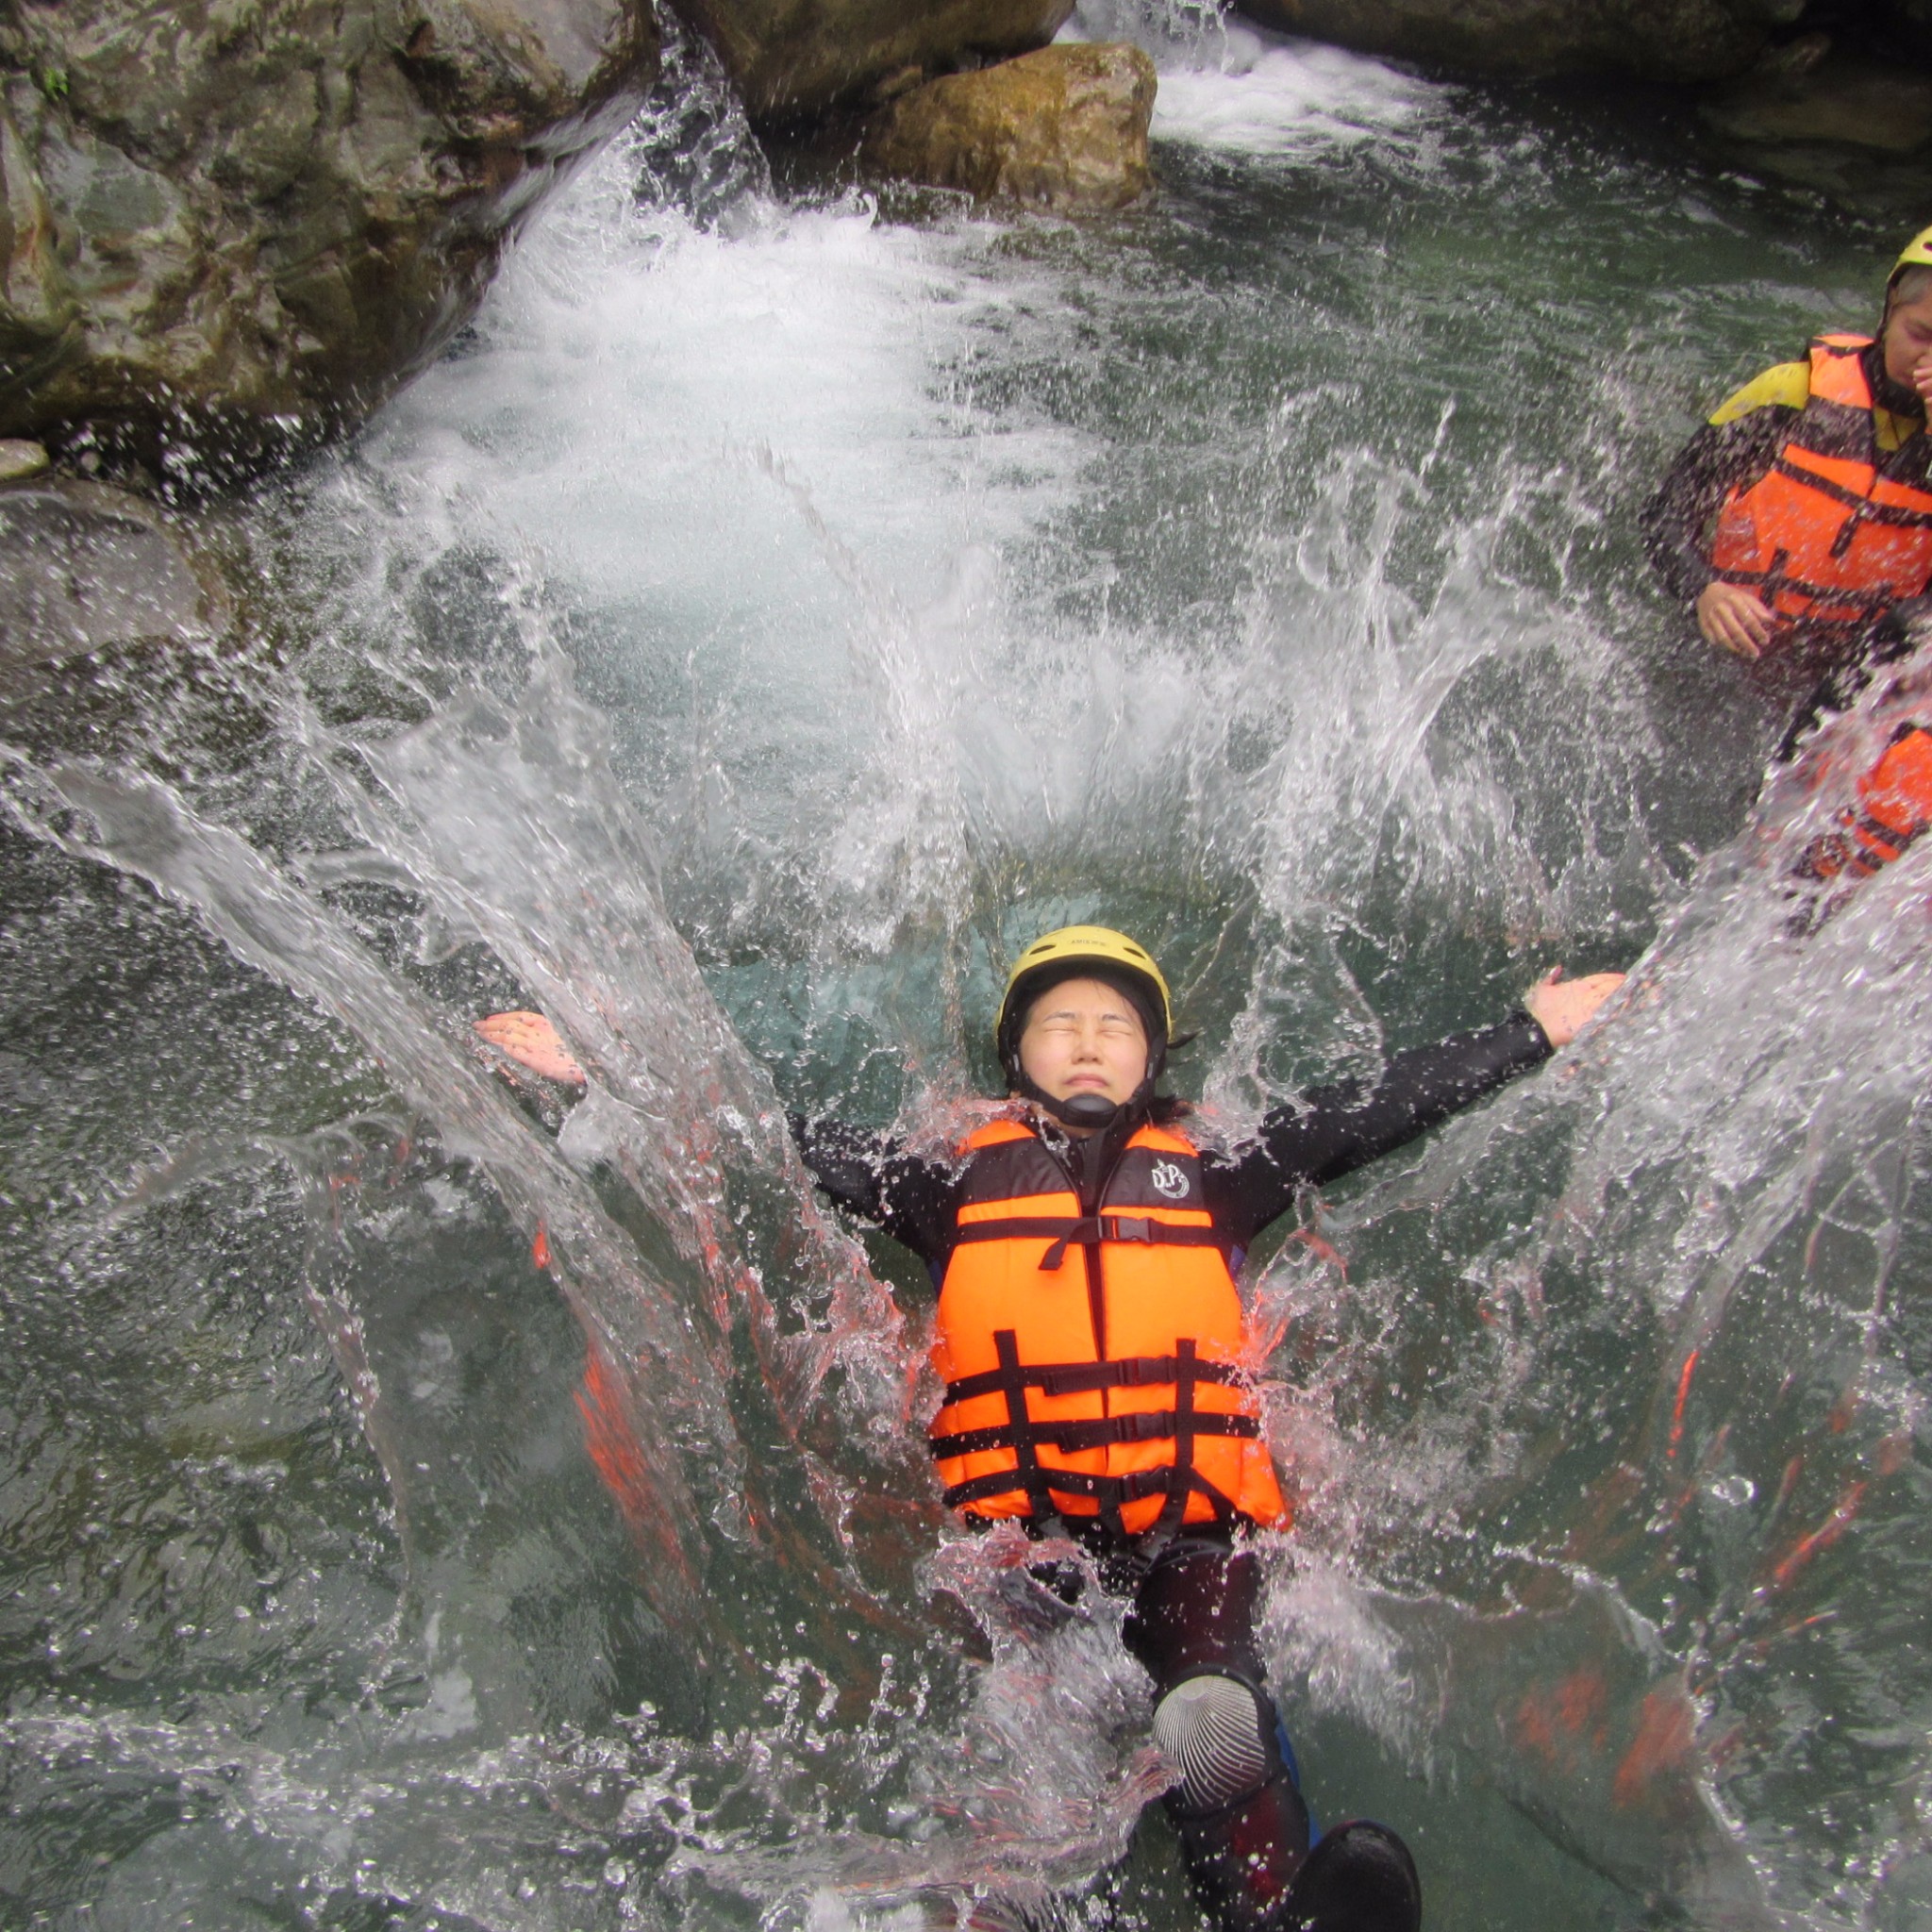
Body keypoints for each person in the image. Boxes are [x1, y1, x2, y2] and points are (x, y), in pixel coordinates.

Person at [783, 926, 1624, 1932]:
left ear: (1151, 1059)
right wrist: (604, 1067)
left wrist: (1527, 1031)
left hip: (1191, 1534)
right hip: (1020, 1550)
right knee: (1027, 1725)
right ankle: (1014, 1906)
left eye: (1114, 1026)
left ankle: (1268, 1906)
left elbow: (1364, 1112)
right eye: (1060, 1025)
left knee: (1208, 1700)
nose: (1088, 1042)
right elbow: (787, 1140)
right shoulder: (950, 1185)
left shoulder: (1216, 1170)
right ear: (1017, 1059)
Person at [1641, 225, 1932, 672]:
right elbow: (1665, 514)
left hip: (1858, 680)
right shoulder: (1792, 392)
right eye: (1921, 334)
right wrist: (1703, 591)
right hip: (1729, 653)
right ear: (1891, 308)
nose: (1927, 362)